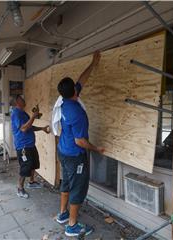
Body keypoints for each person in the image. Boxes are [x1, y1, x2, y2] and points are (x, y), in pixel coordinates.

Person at [55, 52, 105, 237]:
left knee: (66, 183)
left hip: (63, 151)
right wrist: (96, 148)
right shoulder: (77, 113)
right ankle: (72, 225)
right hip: (75, 156)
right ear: (74, 92)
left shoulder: (64, 101)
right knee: (78, 187)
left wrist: (93, 63)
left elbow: (81, 80)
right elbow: (80, 141)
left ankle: (62, 214)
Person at [11, 95, 50, 199]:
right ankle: (20, 188)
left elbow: (29, 127)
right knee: (25, 167)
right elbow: (23, 128)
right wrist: (33, 116)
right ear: (17, 102)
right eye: (21, 98)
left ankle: (32, 182)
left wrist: (42, 128)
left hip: (30, 144)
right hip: (23, 145)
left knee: (33, 164)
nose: (24, 99)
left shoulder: (23, 113)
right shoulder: (16, 113)